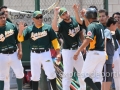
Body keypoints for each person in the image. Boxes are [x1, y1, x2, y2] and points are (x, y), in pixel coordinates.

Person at [18, 11, 61, 90]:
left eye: (41, 17)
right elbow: (20, 39)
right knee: (35, 75)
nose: (39, 19)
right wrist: (20, 31)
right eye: (37, 17)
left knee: (51, 73)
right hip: (34, 54)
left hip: (45, 53)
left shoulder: (48, 28)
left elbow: (55, 41)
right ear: (33, 19)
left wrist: (58, 53)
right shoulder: (30, 29)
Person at [52, 7, 86, 90]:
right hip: (68, 51)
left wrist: (83, 45)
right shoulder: (62, 24)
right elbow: (54, 28)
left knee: (82, 72)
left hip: (77, 49)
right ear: (61, 17)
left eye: (66, 13)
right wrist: (56, 14)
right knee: (68, 73)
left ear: (68, 12)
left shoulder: (75, 19)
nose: (65, 15)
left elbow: (81, 32)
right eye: (63, 15)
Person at [73, 8, 106, 90]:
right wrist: (85, 17)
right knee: (97, 77)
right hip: (102, 53)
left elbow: (88, 40)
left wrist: (78, 51)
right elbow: (89, 24)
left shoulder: (92, 26)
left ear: (89, 17)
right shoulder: (100, 25)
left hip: (94, 53)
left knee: (84, 75)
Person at [0, 11, 24, 90]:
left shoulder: (11, 26)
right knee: (2, 76)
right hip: (2, 55)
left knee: (20, 73)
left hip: (14, 54)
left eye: (4, 17)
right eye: (1, 18)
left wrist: (20, 50)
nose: (3, 19)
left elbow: (18, 39)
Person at [102, 17, 118, 90]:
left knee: (109, 79)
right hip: (106, 60)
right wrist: (105, 51)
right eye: (116, 25)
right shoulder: (107, 31)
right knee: (105, 79)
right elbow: (104, 39)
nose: (116, 27)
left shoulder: (110, 33)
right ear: (112, 24)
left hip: (109, 61)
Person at [112, 12, 120, 90]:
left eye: (119, 17)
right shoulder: (113, 29)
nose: (117, 19)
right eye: (115, 17)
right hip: (116, 52)